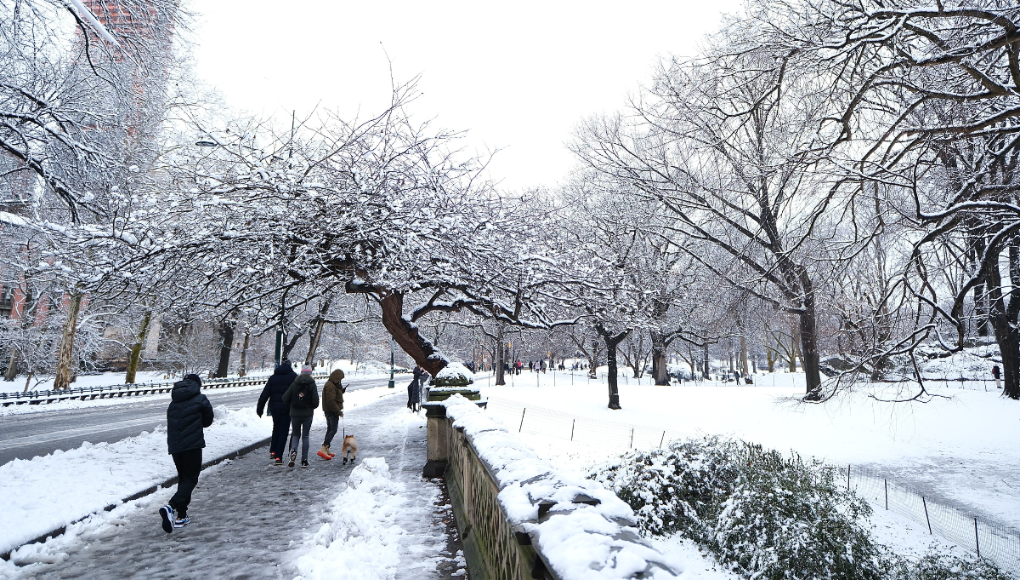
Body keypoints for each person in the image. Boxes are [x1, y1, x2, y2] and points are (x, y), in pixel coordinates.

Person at [159, 374, 214, 534]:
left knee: (183, 478)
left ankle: (181, 516)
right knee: (190, 479)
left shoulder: (173, 402)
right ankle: (171, 506)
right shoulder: (200, 399)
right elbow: (208, 421)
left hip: (176, 448)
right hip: (193, 446)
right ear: (197, 385)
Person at [257, 359, 297, 466]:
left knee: (276, 428)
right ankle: (279, 456)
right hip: (287, 408)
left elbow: (265, 394)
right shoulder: (293, 376)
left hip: (274, 408)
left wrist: (260, 408)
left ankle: (273, 451)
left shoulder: (273, 377)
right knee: (283, 431)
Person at [283, 365, 319, 468]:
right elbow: (316, 402)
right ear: (310, 373)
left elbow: (285, 398)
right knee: (306, 436)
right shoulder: (312, 384)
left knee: (295, 435)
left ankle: (293, 451)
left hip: (295, 414)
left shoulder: (295, 383)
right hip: (307, 414)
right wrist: (310, 406)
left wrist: (293, 404)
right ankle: (304, 460)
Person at [318, 369, 346, 460]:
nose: (340, 381)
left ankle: (326, 448)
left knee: (330, 429)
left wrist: (341, 391)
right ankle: (324, 447)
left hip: (330, 411)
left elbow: (334, 396)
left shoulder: (332, 384)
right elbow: (331, 401)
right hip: (331, 411)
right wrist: (338, 412)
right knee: (333, 430)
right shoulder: (330, 386)